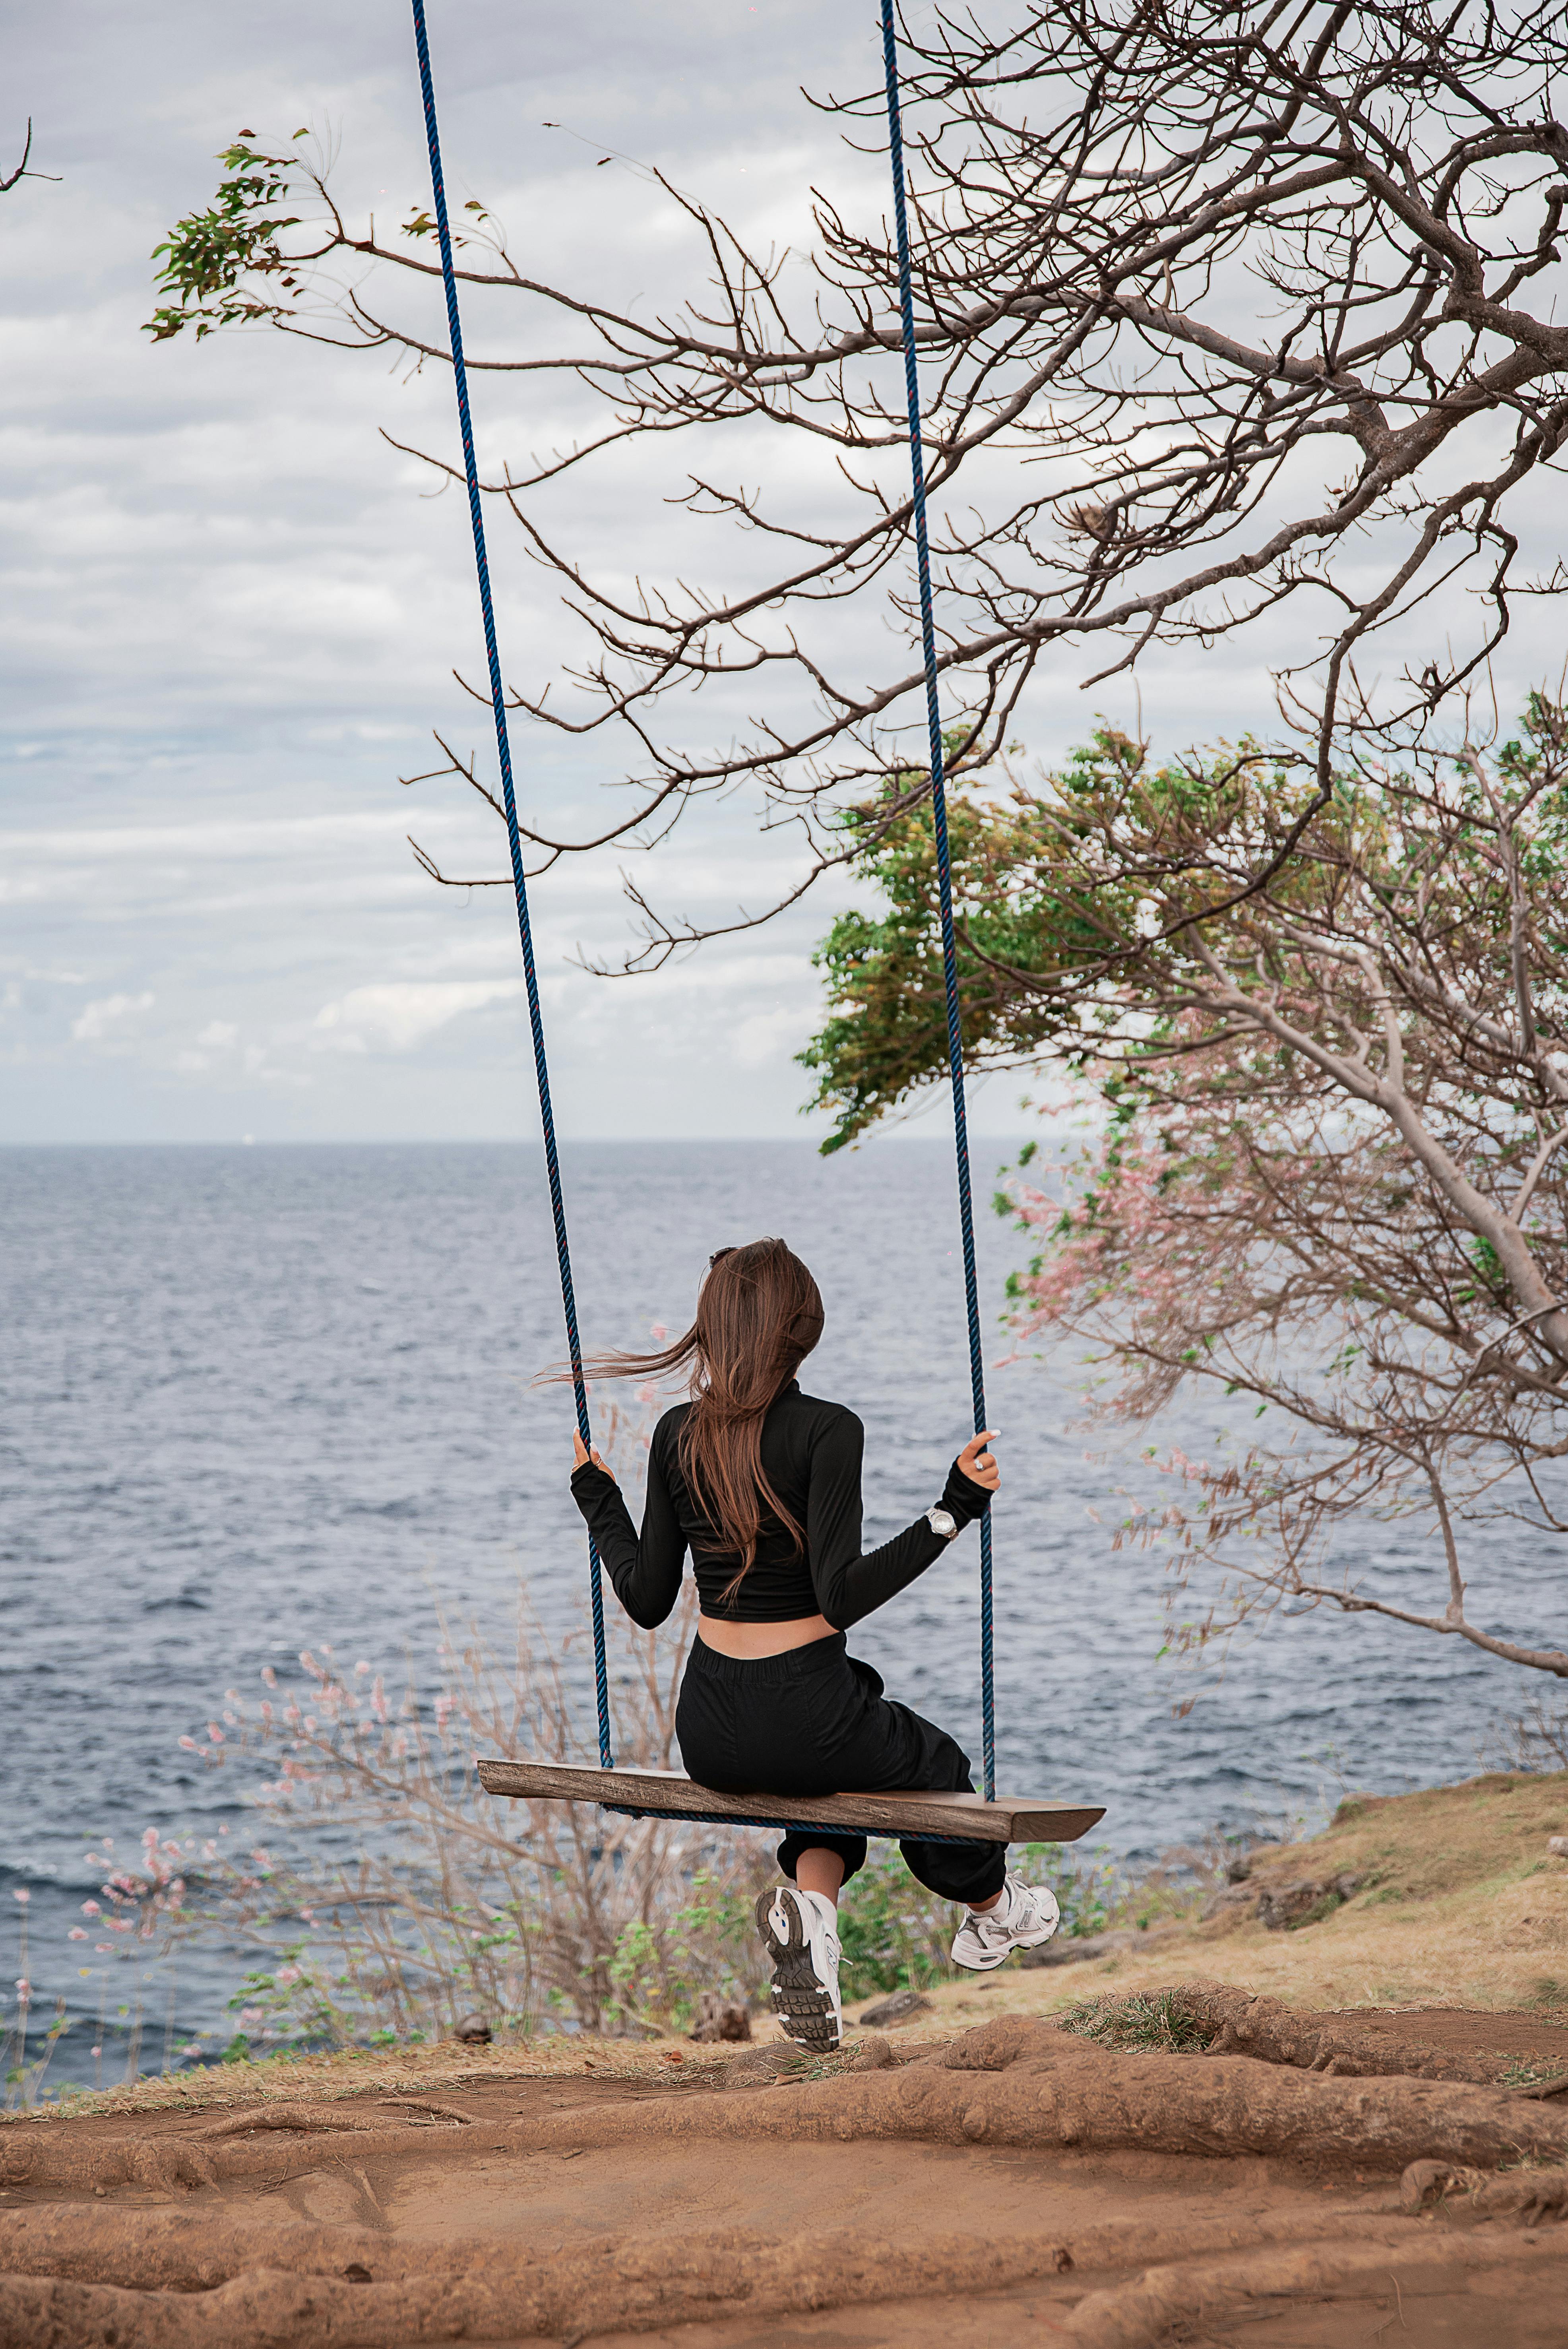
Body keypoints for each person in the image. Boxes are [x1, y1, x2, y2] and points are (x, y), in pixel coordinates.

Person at [566, 1236, 1058, 2050]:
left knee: (827, 1788)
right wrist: (951, 1510)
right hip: (809, 1709)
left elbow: (647, 1601)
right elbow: (839, 1598)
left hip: (711, 1733)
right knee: (936, 1777)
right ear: (802, 1328)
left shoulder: (675, 1433)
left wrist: (598, 1499)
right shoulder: (828, 1431)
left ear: (713, 1327)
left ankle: (816, 1920)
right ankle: (994, 1910)